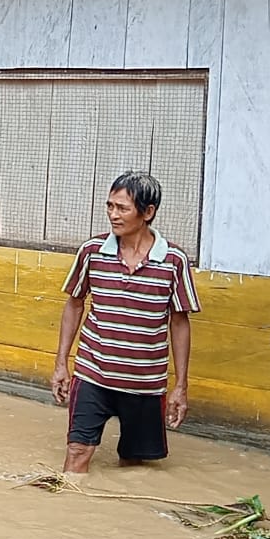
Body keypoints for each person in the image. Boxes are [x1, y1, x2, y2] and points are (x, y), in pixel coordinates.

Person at [51, 171, 200, 474]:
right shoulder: (92, 252)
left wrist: (181, 386)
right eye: (110, 206)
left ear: (148, 212)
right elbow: (74, 303)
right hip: (93, 374)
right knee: (78, 452)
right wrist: (61, 364)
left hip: (145, 384)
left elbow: (180, 322)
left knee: (133, 466)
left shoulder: (174, 261)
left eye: (122, 208)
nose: (113, 215)